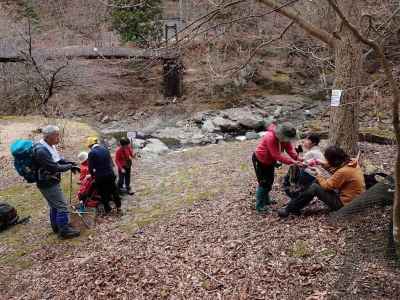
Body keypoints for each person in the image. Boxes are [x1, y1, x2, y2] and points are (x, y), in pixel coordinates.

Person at [278, 145, 366, 218]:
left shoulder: (344, 171)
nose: (327, 161)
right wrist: (320, 163)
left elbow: (327, 186)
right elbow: (336, 170)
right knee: (316, 183)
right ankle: (295, 203)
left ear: (334, 160)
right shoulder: (351, 162)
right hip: (352, 199)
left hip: (345, 205)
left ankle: (290, 208)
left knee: (315, 187)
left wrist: (318, 173)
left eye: (328, 160)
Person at [34, 125, 81, 239]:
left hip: (50, 180)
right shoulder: (41, 151)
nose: (59, 137)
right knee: (62, 206)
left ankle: (57, 226)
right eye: (57, 135)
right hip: (47, 183)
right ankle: (64, 231)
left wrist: (70, 163)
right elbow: (54, 167)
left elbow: (58, 160)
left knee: (54, 206)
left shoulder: (50, 146)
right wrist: (69, 166)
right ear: (49, 136)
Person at [252, 122, 303, 213]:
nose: (288, 140)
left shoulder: (284, 138)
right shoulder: (270, 137)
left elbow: (289, 149)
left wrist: (297, 158)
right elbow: (277, 155)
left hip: (270, 161)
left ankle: (266, 200)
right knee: (264, 183)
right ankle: (260, 206)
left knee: (269, 181)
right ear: (282, 135)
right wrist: (293, 162)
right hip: (260, 160)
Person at [283, 133, 324, 199]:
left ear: (313, 143)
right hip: (316, 176)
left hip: (311, 176)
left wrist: (296, 156)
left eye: (307, 140)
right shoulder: (317, 151)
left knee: (291, 170)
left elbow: (301, 163)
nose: (304, 141)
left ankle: (294, 195)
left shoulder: (311, 153)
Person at [87, 136, 121, 214]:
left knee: (103, 192)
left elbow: (91, 168)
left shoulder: (91, 153)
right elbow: (111, 163)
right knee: (114, 190)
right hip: (110, 174)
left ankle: (108, 209)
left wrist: (93, 176)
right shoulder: (105, 149)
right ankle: (118, 207)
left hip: (100, 176)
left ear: (90, 145)